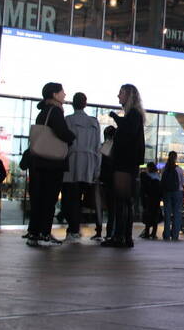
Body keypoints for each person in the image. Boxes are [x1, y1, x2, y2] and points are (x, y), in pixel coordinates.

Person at [25, 82, 75, 247]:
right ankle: (44, 233)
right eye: (62, 92)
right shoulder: (55, 111)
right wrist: (71, 136)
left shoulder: (44, 111)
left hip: (39, 162)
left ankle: (34, 232)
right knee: (49, 198)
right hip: (51, 163)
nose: (65, 94)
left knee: (39, 198)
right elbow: (62, 132)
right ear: (54, 94)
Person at [102, 84, 145, 248]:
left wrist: (115, 118)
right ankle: (124, 236)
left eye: (121, 93)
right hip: (129, 164)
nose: (118, 96)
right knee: (125, 201)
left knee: (122, 201)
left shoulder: (133, 115)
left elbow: (127, 132)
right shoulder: (135, 115)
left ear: (129, 96)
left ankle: (121, 236)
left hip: (125, 164)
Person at [62, 92, 102, 243]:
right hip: (89, 165)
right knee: (81, 199)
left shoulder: (69, 120)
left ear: (73, 103)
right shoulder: (93, 122)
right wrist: (97, 168)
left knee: (70, 199)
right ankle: (76, 228)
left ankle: (73, 229)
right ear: (85, 104)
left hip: (72, 163)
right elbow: (98, 147)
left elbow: (65, 143)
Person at [159, 151, 184, 241]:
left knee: (167, 214)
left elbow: (162, 181)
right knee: (177, 214)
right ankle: (175, 235)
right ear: (176, 158)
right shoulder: (179, 169)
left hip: (167, 193)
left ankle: (166, 235)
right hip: (177, 193)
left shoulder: (164, 169)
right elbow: (183, 183)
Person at [140, 163, 162, 239]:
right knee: (155, 216)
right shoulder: (158, 177)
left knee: (148, 215)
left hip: (149, 199)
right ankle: (153, 233)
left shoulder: (147, 177)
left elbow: (144, 189)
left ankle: (146, 232)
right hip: (157, 200)